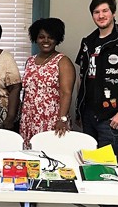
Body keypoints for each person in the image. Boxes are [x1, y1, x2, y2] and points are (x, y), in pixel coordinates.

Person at [75, 0, 118, 156]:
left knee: (107, 165)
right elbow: (82, 77)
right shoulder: (87, 42)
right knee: (88, 162)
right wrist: (79, 110)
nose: (101, 15)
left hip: (113, 116)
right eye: (96, 12)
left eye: (105, 11)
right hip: (89, 115)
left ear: (113, 13)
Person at [20, 17, 75, 149]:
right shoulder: (30, 61)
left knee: (50, 156)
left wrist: (62, 120)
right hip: (29, 119)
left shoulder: (62, 61)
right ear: (35, 38)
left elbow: (66, 93)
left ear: (57, 39)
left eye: (50, 37)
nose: (45, 41)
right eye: (41, 37)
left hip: (52, 120)